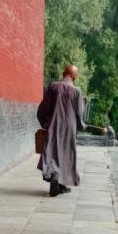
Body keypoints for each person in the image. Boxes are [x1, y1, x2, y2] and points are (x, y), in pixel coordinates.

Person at [37, 64, 87, 197]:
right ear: (74, 77)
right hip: (69, 127)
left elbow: (43, 108)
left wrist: (44, 123)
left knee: (52, 150)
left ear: (64, 73)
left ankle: (55, 177)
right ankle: (61, 183)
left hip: (54, 124)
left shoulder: (53, 86)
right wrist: (82, 126)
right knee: (66, 153)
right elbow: (79, 113)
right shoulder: (77, 91)